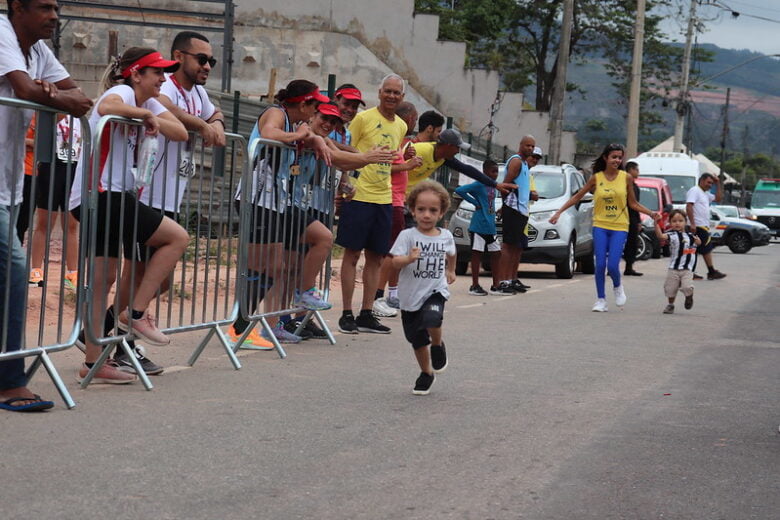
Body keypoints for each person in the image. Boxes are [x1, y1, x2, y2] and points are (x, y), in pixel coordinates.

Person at [105, 31, 229, 373]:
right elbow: (171, 111)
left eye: (211, 61)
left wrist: (213, 122)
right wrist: (203, 126)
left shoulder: (199, 93)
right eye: (201, 59)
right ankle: (121, 345)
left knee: (157, 279)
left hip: (172, 193)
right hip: (148, 191)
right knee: (139, 272)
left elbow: (214, 112)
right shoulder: (166, 87)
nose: (207, 66)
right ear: (180, 56)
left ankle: (102, 332)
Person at [69, 47, 190, 383]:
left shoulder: (145, 101)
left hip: (97, 197)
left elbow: (180, 133)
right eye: (157, 73)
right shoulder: (121, 91)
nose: (163, 80)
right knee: (177, 237)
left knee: (102, 280)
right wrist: (145, 114)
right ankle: (134, 314)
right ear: (136, 74)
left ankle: (93, 363)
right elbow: (106, 107)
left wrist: (154, 111)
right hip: (104, 193)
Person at [1, 0, 92, 411]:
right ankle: (9, 380)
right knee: (15, 271)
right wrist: (49, 97)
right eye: (44, 6)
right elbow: (25, 90)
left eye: (56, 6)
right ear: (16, 7)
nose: (54, 15)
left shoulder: (37, 50)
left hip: (9, 184)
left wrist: (49, 95)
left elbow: (78, 95)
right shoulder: (1, 33)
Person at [280, 102, 395, 338]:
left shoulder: (333, 135)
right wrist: (366, 157)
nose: (332, 123)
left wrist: (345, 182)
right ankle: (280, 319)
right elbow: (338, 155)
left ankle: (301, 318)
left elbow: (338, 156)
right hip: (291, 202)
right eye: (327, 117)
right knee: (289, 265)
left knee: (305, 263)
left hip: (318, 203)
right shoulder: (306, 130)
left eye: (335, 121)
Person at [233, 79, 332, 345]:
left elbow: (306, 136)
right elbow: (269, 133)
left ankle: (263, 324)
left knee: (275, 266)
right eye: (315, 106)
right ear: (303, 104)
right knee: (259, 267)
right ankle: (238, 328)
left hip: (275, 201)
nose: (315, 112)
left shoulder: (296, 122)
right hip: (255, 198)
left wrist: (315, 139)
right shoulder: (277, 113)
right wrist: (300, 137)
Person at [336, 74, 408, 335]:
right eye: (387, 91)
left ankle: (367, 312)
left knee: (376, 257)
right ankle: (346, 313)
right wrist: (343, 188)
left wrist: (408, 163)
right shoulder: (362, 119)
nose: (391, 96)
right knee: (352, 254)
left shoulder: (400, 125)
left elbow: (391, 162)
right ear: (379, 92)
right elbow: (344, 152)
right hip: (359, 195)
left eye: (396, 93)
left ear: (402, 97)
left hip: (384, 198)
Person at [549, 143, 659, 312]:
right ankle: (601, 299)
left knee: (613, 266)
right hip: (600, 225)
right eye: (614, 157)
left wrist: (651, 213)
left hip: (620, 226)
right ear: (605, 158)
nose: (617, 160)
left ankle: (617, 286)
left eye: (619, 157)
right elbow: (578, 196)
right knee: (600, 265)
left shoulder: (626, 178)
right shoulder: (596, 178)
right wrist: (558, 213)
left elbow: (633, 203)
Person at [390, 180, 456, 396]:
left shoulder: (445, 236)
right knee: (416, 339)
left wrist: (451, 271)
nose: (426, 215)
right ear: (412, 210)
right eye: (421, 209)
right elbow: (394, 262)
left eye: (433, 210)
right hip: (410, 297)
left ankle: (437, 345)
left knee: (432, 319)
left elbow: (452, 254)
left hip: (435, 290)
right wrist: (408, 259)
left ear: (441, 213)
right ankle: (426, 373)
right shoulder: (407, 236)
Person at [372, 100, 421, 318]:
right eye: (415, 119)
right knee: (391, 253)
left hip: (397, 201)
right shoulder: (392, 137)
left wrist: (405, 157)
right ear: (408, 118)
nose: (415, 123)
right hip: (391, 201)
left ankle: (390, 294)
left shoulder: (400, 141)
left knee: (393, 252)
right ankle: (376, 297)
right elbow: (383, 166)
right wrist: (407, 165)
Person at [28, 115, 81, 290]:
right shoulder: (49, 115)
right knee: (44, 223)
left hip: (73, 169)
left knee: (71, 225)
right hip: (51, 167)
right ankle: (36, 272)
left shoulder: (79, 118)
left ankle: (72, 274)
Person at [496, 135, 537, 295]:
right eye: (527, 145)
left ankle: (510, 279)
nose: (530, 149)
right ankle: (502, 282)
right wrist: (505, 206)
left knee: (515, 247)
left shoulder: (525, 164)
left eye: (533, 147)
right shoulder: (516, 161)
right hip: (513, 209)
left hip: (521, 210)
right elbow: (505, 185)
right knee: (508, 246)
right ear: (520, 145)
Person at [455, 159, 501, 296]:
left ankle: (496, 285)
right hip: (479, 225)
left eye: (497, 172)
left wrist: (495, 212)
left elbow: (490, 203)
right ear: (484, 172)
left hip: (490, 226)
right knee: (476, 254)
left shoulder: (493, 186)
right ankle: (474, 285)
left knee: (497, 253)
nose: (495, 175)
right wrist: (475, 202)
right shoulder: (479, 184)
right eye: (492, 171)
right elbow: (460, 190)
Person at [654, 209, 700, 314]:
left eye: (680, 220)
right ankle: (670, 305)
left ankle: (689, 296)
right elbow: (660, 236)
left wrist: (699, 242)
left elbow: (697, 244)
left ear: (685, 222)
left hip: (687, 269)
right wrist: (656, 223)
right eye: (674, 221)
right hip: (673, 268)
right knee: (670, 289)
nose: (677, 223)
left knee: (687, 286)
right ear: (670, 223)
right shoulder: (671, 234)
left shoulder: (691, 236)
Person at [686, 173, 726, 280]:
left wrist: (718, 184)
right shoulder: (695, 190)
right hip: (698, 226)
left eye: (711, 183)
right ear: (702, 180)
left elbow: (718, 198)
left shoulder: (705, 194)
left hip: (703, 226)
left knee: (701, 249)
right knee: (703, 249)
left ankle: (708, 271)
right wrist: (692, 223)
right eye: (708, 182)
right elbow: (689, 206)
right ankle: (709, 271)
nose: (710, 185)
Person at [623, 160, 643, 277]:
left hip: (632, 218)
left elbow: (636, 204)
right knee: (617, 243)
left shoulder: (635, 186)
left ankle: (629, 267)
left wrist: (638, 220)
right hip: (622, 217)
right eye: (636, 169)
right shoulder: (622, 184)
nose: (638, 172)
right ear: (630, 170)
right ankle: (612, 267)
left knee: (632, 243)